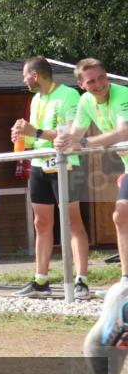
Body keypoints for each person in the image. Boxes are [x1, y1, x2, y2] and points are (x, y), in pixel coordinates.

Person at [11, 56, 90, 299]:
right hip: (39, 164)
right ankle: (41, 280)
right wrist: (21, 137)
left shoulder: (68, 95)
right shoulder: (35, 99)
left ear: (34, 75)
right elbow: (36, 137)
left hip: (66, 164)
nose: (23, 80)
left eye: (25, 75)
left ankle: (81, 282)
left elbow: (69, 135)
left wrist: (35, 132)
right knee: (41, 223)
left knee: (73, 222)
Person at [55, 58, 128, 295]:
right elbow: (75, 135)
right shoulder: (86, 102)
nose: (99, 85)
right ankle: (126, 281)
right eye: (91, 81)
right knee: (120, 215)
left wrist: (82, 142)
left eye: (102, 78)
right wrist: (62, 141)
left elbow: (123, 132)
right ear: (82, 85)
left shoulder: (122, 94)